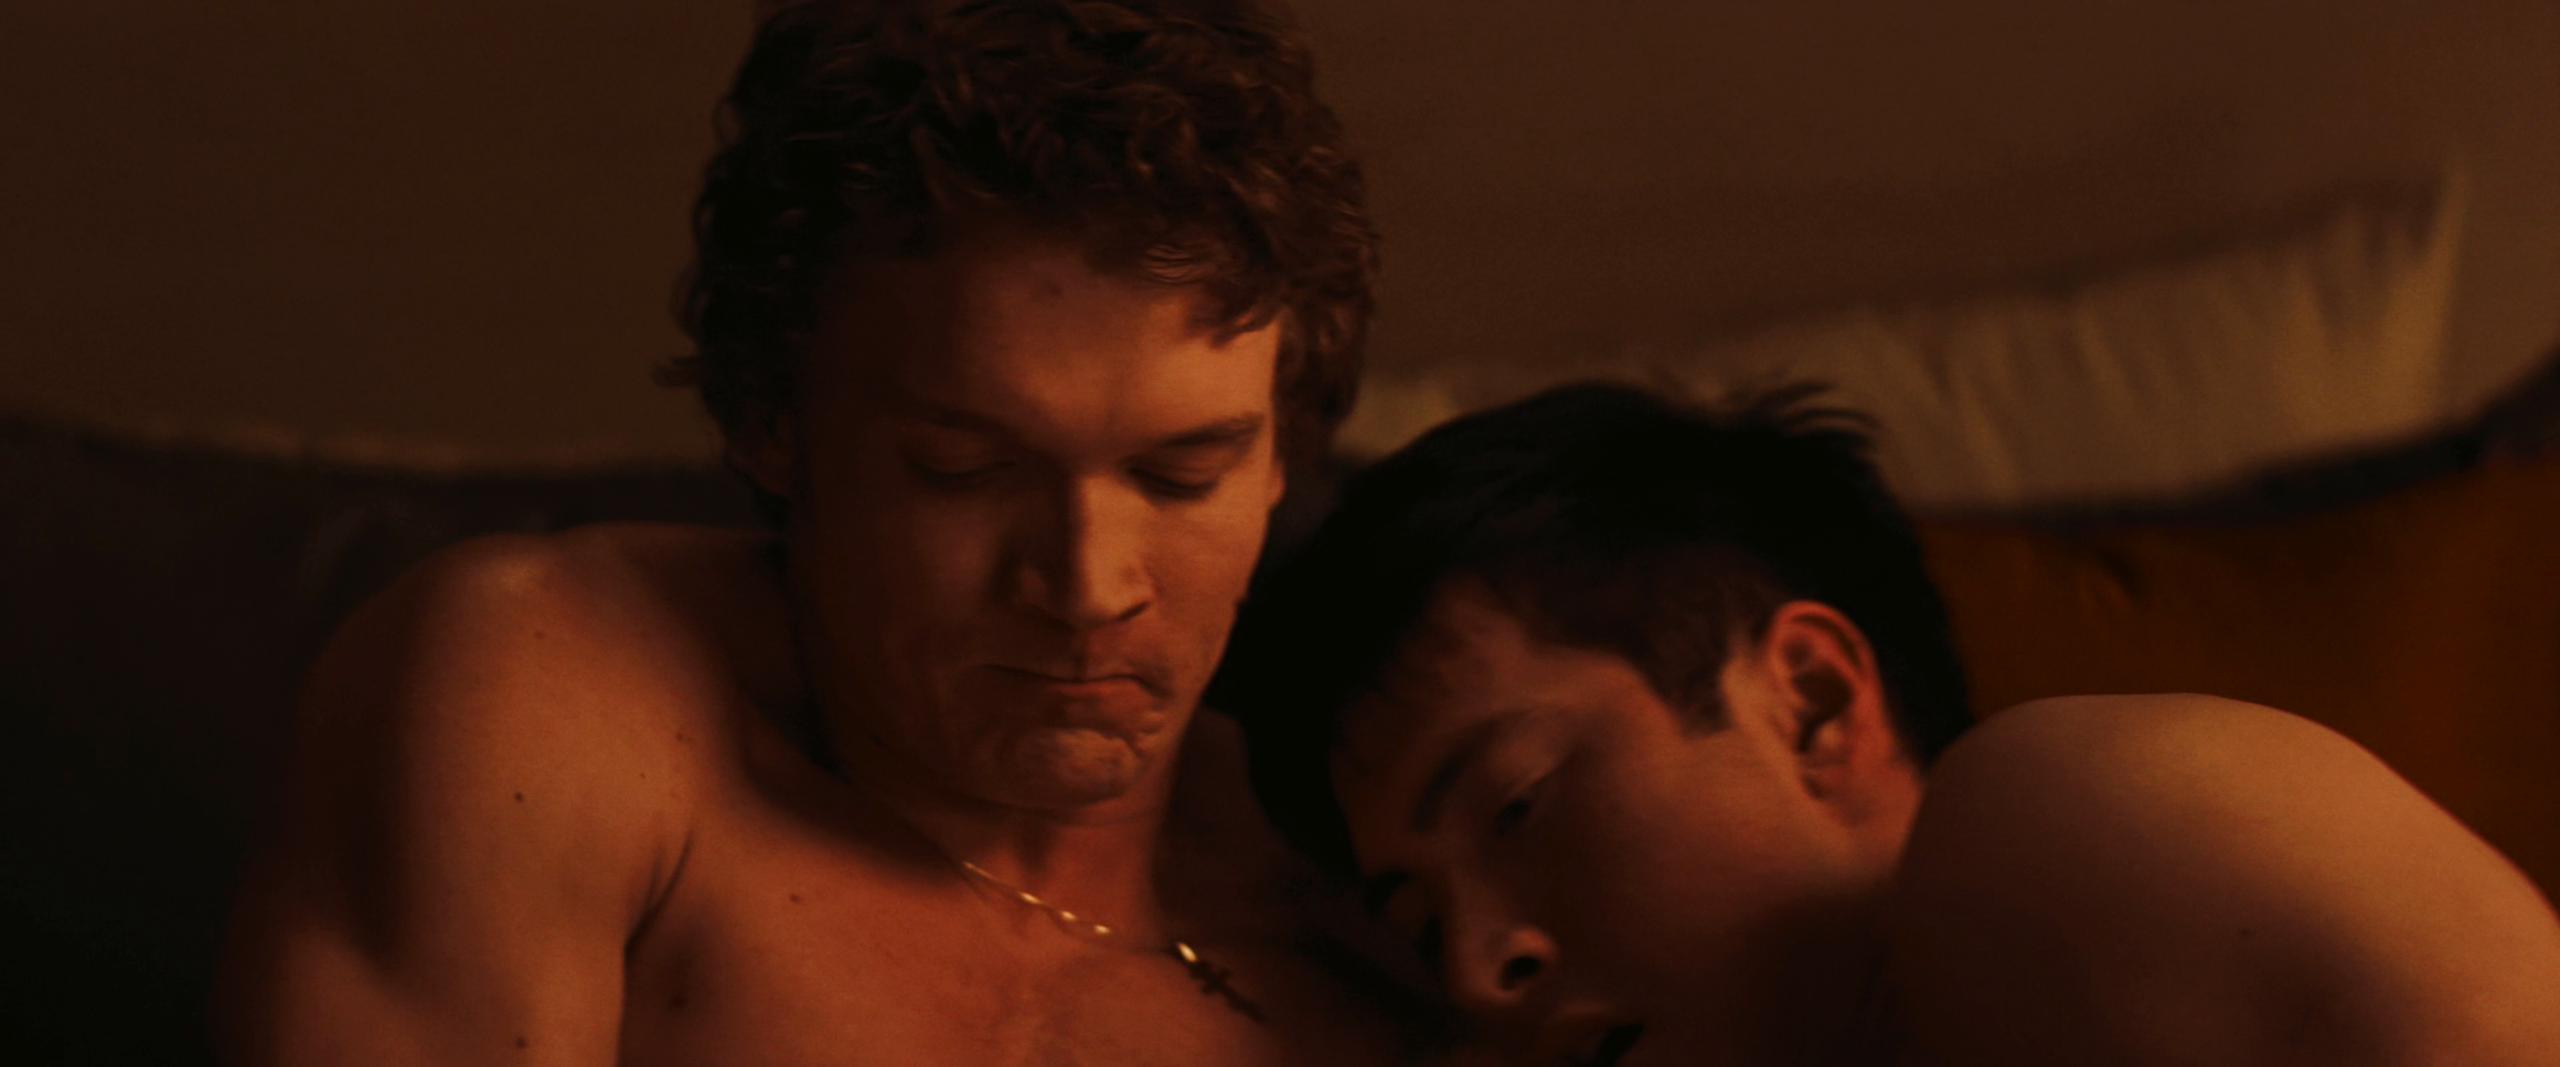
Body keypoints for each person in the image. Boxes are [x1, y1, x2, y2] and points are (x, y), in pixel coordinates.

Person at [216, 1, 1426, 1064]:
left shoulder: (1397, 916)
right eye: (965, 468)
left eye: (1181, 474)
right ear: (770, 419)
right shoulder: (554, 699)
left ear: (1283, 451)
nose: (1086, 584)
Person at [1214, 381, 2560, 1065]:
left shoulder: (2043, 810)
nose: (1476, 967)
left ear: (1809, 700)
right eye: (1419, 921)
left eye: (1517, 803)